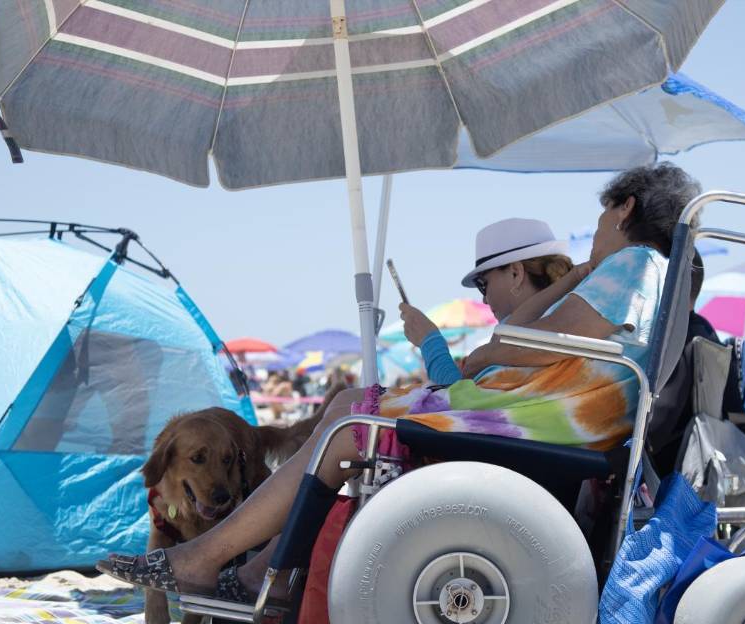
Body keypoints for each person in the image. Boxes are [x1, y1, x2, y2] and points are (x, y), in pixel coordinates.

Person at [98, 163, 703, 600]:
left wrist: (482, 347)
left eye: (603, 217)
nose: (595, 232)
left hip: (540, 420)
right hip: (552, 416)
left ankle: (226, 564)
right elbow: (528, 333)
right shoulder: (642, 271)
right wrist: (579, 276)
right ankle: (252, 571)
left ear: (625, 208)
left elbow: (525, 344)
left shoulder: (634, 264)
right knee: (345, 410)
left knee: (348, 422)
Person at [397, 219, 576, 386]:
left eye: (483, 284)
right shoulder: (574, 321)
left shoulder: (523, 339)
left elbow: (467, 404)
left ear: (515, 273)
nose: (483, 298)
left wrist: (431, 344)